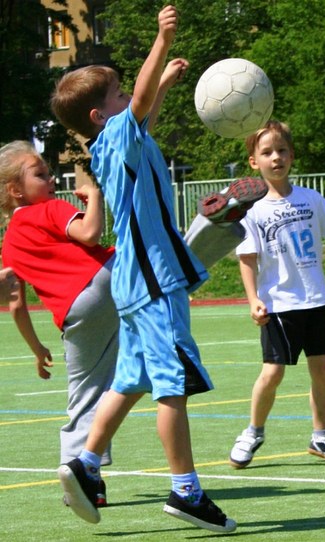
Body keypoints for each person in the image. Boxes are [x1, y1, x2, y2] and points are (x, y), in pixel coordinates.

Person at [49, 5, 235, 532]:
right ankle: (186, 491)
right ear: (99, 117)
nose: (129, 94)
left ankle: (85, 464)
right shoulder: (116, 136)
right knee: (171, 384)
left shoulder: (115, 142)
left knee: (129, 380)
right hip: (153, 279)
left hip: (135, 279)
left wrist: (168, 82)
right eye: (117, 93)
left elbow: (144, 111)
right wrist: (159, 40)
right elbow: (143, 103)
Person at [0, 141, 264, 499]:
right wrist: (93, 196)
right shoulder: (49, 209)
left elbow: (15, 304)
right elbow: (90, 233)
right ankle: (211, 225)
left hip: (76, 314)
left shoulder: (10, 244)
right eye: (40, 174)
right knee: (165, 264)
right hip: (107, 279)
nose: (50, 179)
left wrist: (36, 349)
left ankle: (81, 480)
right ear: (16, 190)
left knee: (84, 395)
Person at [227, 120, 325, 468]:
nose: (275, 157)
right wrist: (252, 299)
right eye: (266, 153)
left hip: (316, 301)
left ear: (292, 156)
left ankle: (321, 435)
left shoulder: (311, 198)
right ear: (253, 162)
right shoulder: (253, 209)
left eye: (281, 151)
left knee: (321, 369)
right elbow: (247, 258)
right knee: (272, 373)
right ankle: (253, 430)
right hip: (279, 305)